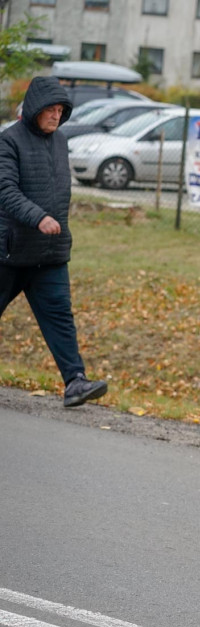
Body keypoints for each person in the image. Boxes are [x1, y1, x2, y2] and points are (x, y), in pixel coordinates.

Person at [0, 76, 108, 408]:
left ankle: (75, 382)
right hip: (10, 252)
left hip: (50, 254)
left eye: (61, 110)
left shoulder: (60, 142)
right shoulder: (9, 141)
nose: (56, 116)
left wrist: (58, 226)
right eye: (50, 110)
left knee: (60, 316)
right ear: (34, 109)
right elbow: (5, 191)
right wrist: (39, 217)